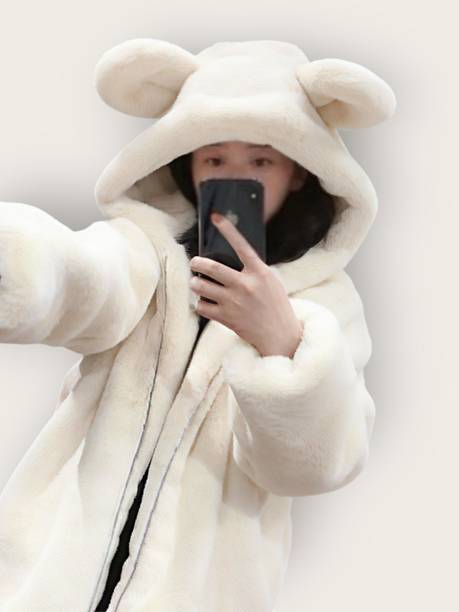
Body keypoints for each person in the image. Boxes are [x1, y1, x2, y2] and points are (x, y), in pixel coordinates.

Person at [0, 38, 396, 612]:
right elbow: (89, 280)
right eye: (214, 160)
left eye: (260, 162)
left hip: (201, 587)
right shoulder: (148, 252)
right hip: (56, 559)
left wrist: (282, 343)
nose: (235, 178)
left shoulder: (326, 304)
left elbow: (320, 464)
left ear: (300, 170)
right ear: (187, 163)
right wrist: (23, 262)